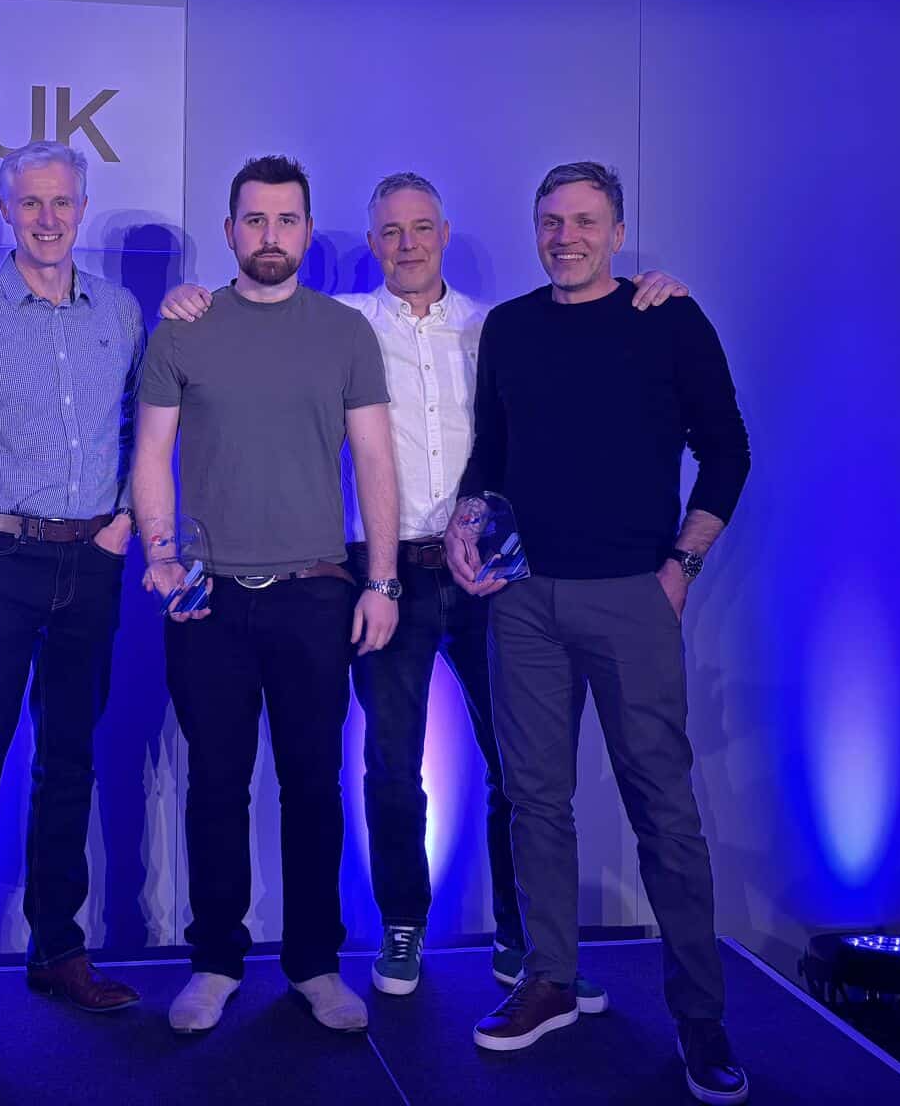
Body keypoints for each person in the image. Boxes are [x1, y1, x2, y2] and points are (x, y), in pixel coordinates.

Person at [159, 171, 685, 1006]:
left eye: (421, 229)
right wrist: (190, 297)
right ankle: (403, 922)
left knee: (521, 767)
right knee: (391, 763)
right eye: (390, 232)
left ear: (444, 233)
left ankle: (527, 940)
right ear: (370, 243)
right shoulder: (341, 326)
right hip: (385, 572)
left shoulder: (497, 327)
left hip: (489, 572)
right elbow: (256, 316)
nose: (407, 245)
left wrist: (653, 291)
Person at [449, 161, 750, 1105]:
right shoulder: (511, 327)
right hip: (523, 600)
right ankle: (549, 980)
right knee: (535, 800)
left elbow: (728, 451)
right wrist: (468, 515)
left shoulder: (669, 318)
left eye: (584, 221)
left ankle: (700, 1018)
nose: (565, 236)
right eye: (551, 220)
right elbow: (492, 453)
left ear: (618, 232)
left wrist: (681, 566)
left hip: (631, 596)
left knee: (663, 807)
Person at [132, 154, 402, 1036]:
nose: (271, 235)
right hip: (206, 599)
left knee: (313, 786)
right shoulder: (184, 330)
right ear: (230, 230)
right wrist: (160, 557)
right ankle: (215, 963)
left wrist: (383, 581)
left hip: (315, 594)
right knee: (215, 785)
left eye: (287, 220)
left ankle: (316, 966)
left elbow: (375, 462)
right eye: (255, 220)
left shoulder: (344, 333)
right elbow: (151, 456)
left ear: (308, 232)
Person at [0, 141, 145, 1081]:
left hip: (93, 560)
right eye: (31, 203)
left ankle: (58, 950)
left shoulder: (120, 312)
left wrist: (128, 520)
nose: (49, 218)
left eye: (63, 202)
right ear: (5, 209)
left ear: (83, 207)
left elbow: (145, 429)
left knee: (70, 762)